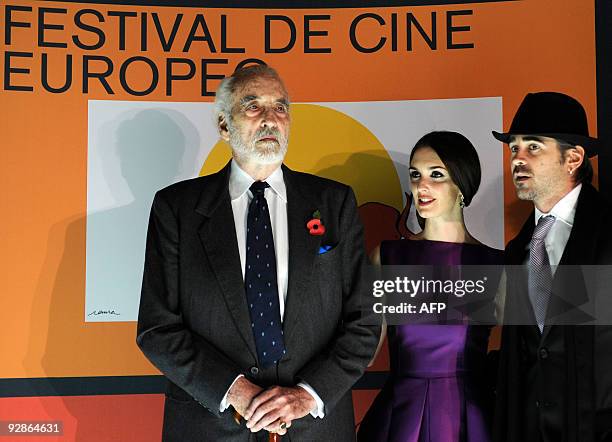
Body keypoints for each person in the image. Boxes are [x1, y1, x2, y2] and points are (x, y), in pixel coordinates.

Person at [136, 64, 380, 441]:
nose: (270, 119)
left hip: (315, 429)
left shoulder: (335, 203)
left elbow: (364, 320)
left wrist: (305, 395)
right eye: (252, 106)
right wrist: (236, 391)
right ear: (223, 124)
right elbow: (157, 328)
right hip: (209, 427)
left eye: (280, 107)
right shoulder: (176, 209)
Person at [358, 131, 503, 442]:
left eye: (436, 174)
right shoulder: (389, 257)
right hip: (399, 415)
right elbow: (364, 350)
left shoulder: (497, 265)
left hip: (468, 418)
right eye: (415, 174)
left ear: (462, 186)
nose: (421, 186)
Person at [492, 92, 612, 442]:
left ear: (573, 158)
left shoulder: (607, 233)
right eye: (514, 148)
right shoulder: (519, 250)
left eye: (533, 147)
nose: (517, 159)